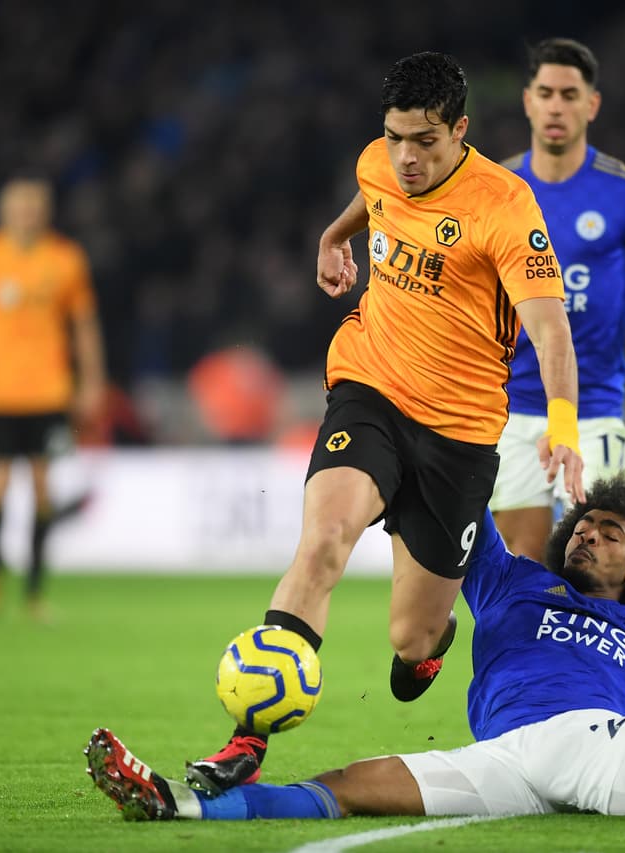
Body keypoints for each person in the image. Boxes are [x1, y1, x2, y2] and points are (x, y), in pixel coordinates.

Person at [185, 51, 585, 796]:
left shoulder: (504, 206)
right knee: (323, 541)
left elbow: (551, 331)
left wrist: (562, 422)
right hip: (369, 388)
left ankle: (431, 644)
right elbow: (371, 196)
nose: (406, 157)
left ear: (460, 130)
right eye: (396, 137)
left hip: (459, 434)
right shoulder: (379, 163)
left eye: (425, 142)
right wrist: (334, 236)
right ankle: (247, 736)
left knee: (413, 637)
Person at [85, 477, 625, 822]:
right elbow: (451, 508)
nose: (587, 532)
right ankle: (171, 802)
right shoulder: (513, 581)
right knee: (341, 787)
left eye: (610, 531)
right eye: (584, 523)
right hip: (506, 756)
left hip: (607, 743)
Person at [490, 38, 625, 562]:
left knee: (600, 562)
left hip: (593, 409)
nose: (556, 105)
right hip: (510, 406)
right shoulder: (495, 189)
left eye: (569, 93)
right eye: (546, 93)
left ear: (592, 105)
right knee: (522, 563)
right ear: (528, 102)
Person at [0, 177, 106, 620]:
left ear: (45, 211)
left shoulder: (65, 259)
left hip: (49, 392)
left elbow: (84, 325)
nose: (27, 213)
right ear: (5, 211)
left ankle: (33, 591)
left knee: (43, 489)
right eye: (20, 206)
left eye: (35, 206)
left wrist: (91, 381)